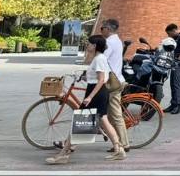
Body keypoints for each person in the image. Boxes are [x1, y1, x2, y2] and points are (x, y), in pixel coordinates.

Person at [48, 34, 125, 164]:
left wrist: (89, 97)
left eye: (89, 44)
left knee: (79, 123)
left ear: (94, 46)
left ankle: (64, 153)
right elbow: (97, 77)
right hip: (98, 92)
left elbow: (101, 80)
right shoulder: (98, 58)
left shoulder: (99, 58)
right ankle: (119, 150)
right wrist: (85, 78)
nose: (87, 45)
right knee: (103, 122)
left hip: (96, 93)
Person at [99, 19, 130, 153]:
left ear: (108, 29)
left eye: (102, 28)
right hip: (115, 79)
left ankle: (124, 143)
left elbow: (101, 60)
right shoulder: (116, 40)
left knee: (115, 114)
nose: (101, 30)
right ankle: (116, 140)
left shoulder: (109, 42)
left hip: (113, 82)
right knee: (109, 114)